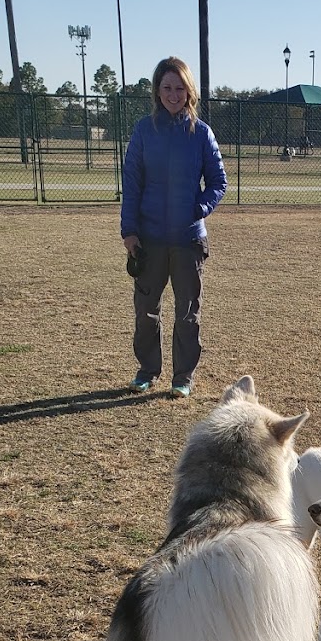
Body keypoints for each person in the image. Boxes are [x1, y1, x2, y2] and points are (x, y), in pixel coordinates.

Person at [120, 57, 228, 397]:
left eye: (179, 87)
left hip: (187, 241)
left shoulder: (201, 134)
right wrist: (129, 230)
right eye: (167, 87)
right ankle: (147, 370)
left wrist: (198, 209)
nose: (173, 94)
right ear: (157, 90)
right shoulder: (143, 131)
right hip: (149, 240)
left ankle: (183, 376)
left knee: (187, 313)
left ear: (189, 91)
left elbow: (218, 182)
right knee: (146, 312)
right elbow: (132, 183)